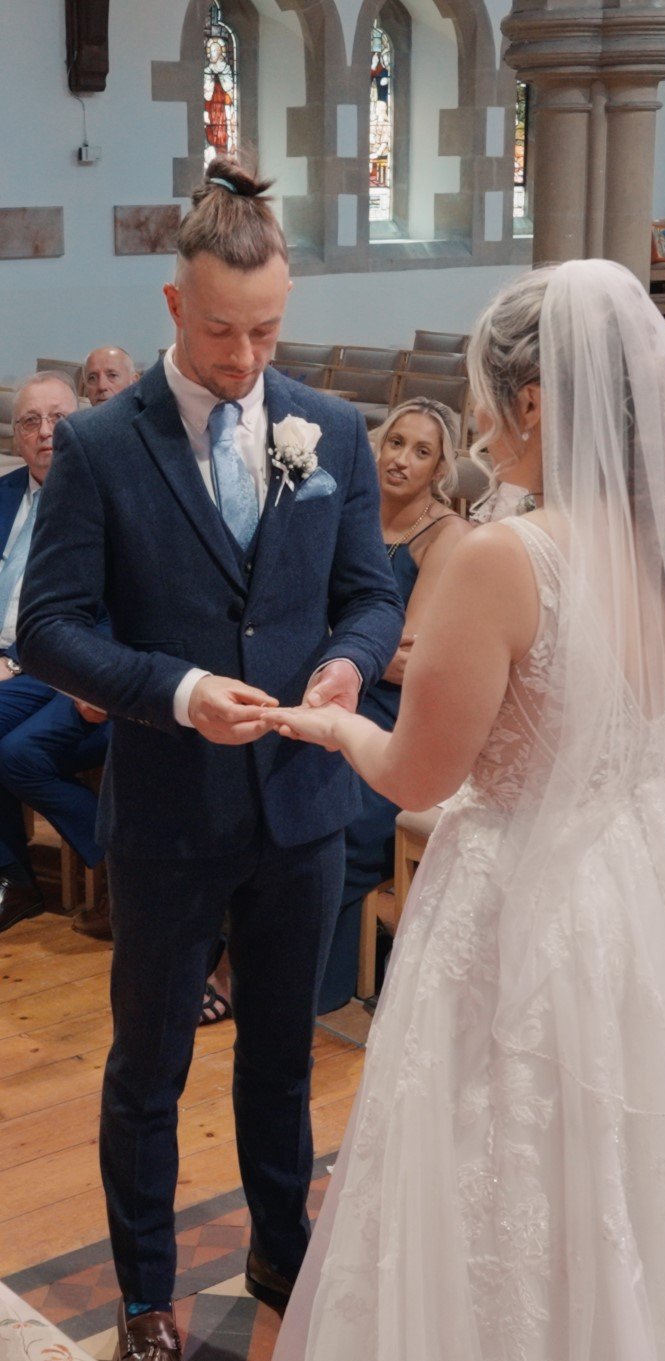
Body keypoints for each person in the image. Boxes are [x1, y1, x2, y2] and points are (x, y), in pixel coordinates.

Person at [271, 260, 665, 1359]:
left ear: (534, 402)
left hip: (520, 904)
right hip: (649, 892)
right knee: (629, 1176)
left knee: (496, 1167)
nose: (478, 418)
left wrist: (335, 722)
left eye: (489, 393)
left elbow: (418, 777)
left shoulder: (503, 556)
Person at [17, 155, 402, 1361]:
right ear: (176, 309)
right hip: (172, 811)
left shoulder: (328, 425)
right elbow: (48, 627)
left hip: (300, 804)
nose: (246, 360)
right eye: (224, 331)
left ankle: (280, 1241)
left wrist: (346, 664)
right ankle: (143, 1290)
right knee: (149, 1064)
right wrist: (177, 691)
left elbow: (368, 595)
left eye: (268, 331)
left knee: (283, 1054)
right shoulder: (98, 445)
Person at [318, 397, 470, 1013]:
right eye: (396, 443)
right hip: (330, 688)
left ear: (440, 470)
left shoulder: (447, 536)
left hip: (395, 717)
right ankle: (245, 955)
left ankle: (305, 978)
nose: (402, 460)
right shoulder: (346, 512)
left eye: (421, 451)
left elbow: (412, 657)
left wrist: (330, 641)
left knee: (343, 820)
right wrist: (354, 646)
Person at [0, 372, 110, 935]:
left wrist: (17, 660)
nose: (44, 433)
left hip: (64, 663)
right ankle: (14, 879)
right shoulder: (3, 495)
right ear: (15, 435)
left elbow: (107, 613)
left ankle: (16, 878)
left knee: (14, 751)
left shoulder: (105, 495)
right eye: (29, 422)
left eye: (58, 419)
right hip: (17, 664)